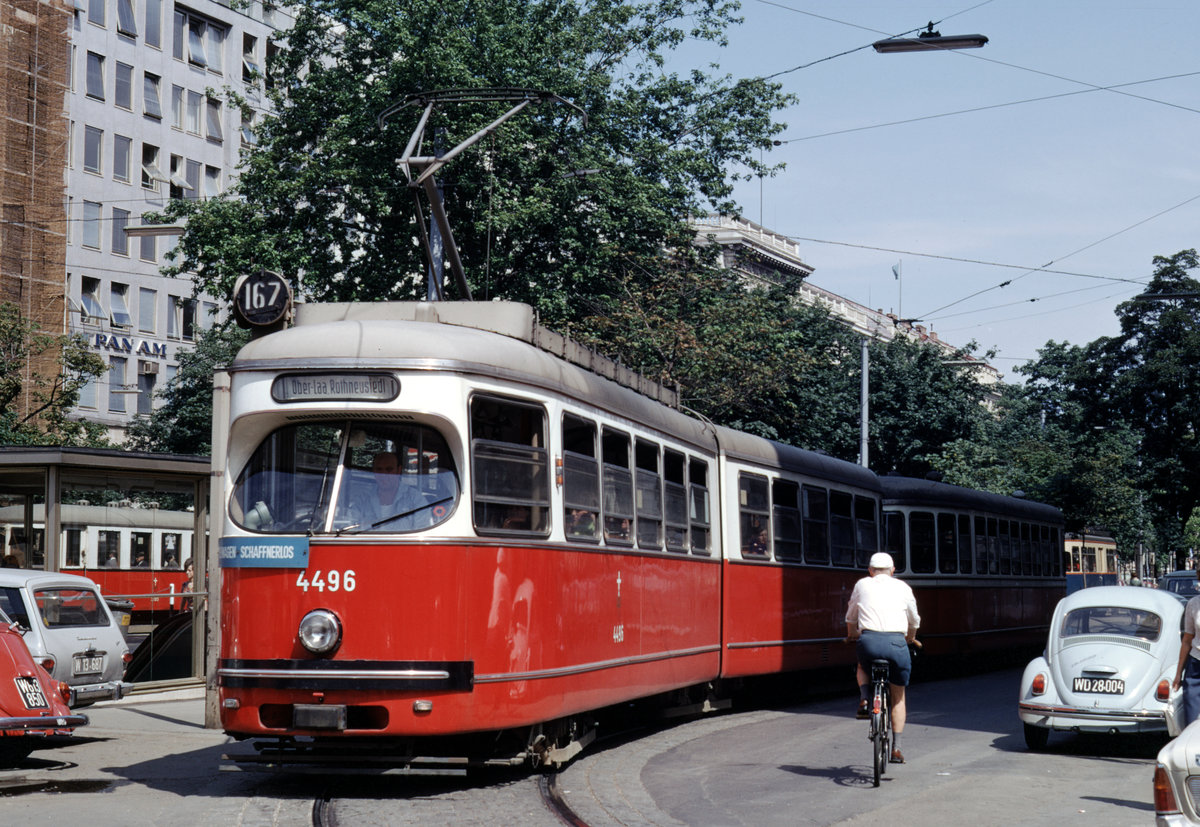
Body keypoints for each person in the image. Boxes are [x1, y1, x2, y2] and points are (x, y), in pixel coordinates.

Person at [845, 551, 921, 764]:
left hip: (868, 641)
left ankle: (865, 699)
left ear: (870, 570)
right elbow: (914, 620)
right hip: (897, 643)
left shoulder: (861, 584)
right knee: (898, 695)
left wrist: (852, 634)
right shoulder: (903, 587)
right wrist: (910, 637)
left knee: (862, 665)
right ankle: (896, 749)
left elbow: (851, 616)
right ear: (893, 571)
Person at [1172, 569, 1200, 725]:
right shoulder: (1194, 604)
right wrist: (1178, 674)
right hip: (1196, 668)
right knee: (1192, 723)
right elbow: (1187, 639)